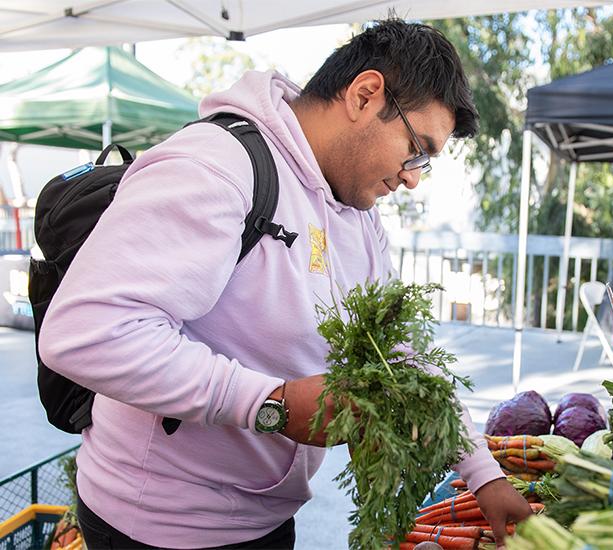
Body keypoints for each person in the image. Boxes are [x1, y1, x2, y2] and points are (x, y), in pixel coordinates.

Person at [39, 19, 531, 550]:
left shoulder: (359, 214)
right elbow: (87, 331)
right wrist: (271, 402)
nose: (413, 177)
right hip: (159, 526)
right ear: (365, 95)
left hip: (265, 517)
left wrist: (484, 474)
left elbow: (401, 353)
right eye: (417, 150)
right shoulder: (217, 166)